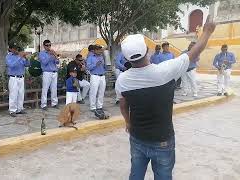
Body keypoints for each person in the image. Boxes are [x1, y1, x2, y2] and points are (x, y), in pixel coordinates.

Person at [116, 17, 215, 180]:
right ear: (147, 50)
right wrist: (207, 32)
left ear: (127, 59)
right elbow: (194, 52)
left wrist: (128, 121)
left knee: (135, 174)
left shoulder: (123, 81)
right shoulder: (166, 71)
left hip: (137, 138)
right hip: (162, 141)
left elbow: (122, 105)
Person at [6, 43, 30, 117]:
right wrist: (19, 57)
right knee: (13, 94)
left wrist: (26, 58)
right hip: (13, 78)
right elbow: (11, 65)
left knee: (21, 94)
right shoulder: (8, 56)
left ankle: (20, 109)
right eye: (14, 48)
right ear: (10, 49)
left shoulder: (20, 56)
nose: (16, 50)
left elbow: (27, 64)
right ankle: (12, 110)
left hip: (21, 77)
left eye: (17, 48)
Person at [39, 40, 60, 110]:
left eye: (50, 45)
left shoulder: (52, 53)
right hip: (47, 72)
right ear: (44, 46)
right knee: (45, 89)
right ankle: (43, 104)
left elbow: (57, 62)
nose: (49, 47)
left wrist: (56, 57)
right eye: (47, 45)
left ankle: (54, 103)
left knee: (54, 89)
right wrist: (50, 56)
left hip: (54, 72)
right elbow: (44, 62)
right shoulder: (41, 53)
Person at [86, 45, 106, 116]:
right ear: (94, 50)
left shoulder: (101, 57)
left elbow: (105, 66)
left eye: (100, 50)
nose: (100, 51)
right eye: (98, 50)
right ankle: (93, 107)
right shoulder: (90, 58)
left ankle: (99, 106)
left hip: (102, 75)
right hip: (95, 76)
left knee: (102, 91)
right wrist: (95, 64)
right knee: (93, 92)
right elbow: (88, 67)